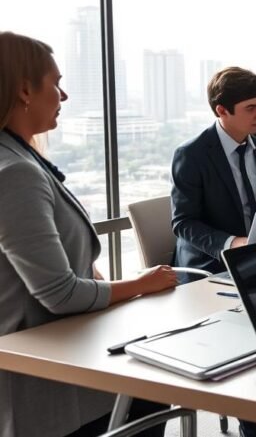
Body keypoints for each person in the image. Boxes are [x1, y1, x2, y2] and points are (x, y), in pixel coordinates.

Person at [0, 31, 177, 437]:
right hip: (47, 384)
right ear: (25, 90)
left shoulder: (22, 158)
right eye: (56, 84)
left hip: (61, 355)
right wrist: (138, 284)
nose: (63, 96)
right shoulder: (16, 173)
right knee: (153, 390)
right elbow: (59, 293)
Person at [170, 66, 256, 437]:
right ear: (222, 110)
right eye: (251, 108)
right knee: (251, 334)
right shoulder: (192, 155)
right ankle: (255, 429)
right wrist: (232, 243)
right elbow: (183, 223)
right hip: (211, 267)